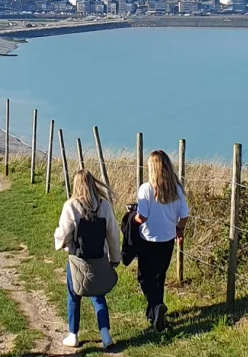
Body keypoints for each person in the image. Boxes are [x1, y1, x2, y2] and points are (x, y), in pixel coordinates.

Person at [54, 170, 122, 349]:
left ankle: (73, 334)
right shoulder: (104, 205)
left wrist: (60, 242)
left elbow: (64, 232)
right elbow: (113, 234)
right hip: (99, 257)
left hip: (77, 259)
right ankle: (105, 335)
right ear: (93, 184)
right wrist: (115, 257)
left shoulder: (70, 206)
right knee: (99, 295)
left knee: (74, 295)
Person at [135, 150, 189, 332]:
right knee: (159, 276)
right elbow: (184, 216)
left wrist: (131, 217)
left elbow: (141, 217)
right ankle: (155, 312)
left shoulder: (146, 189)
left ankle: (156, 307)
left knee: (144, 277)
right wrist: (179, 229)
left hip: (148, 239)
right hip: (167, 239)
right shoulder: (177, 190)